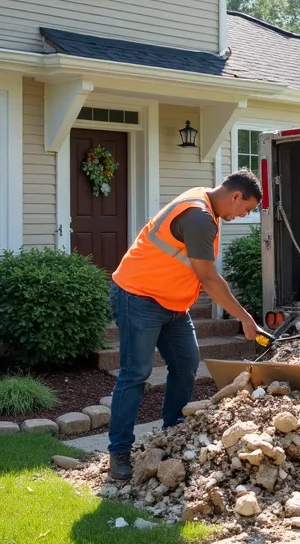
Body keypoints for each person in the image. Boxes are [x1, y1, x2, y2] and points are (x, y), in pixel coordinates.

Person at [106, 170, 262, 481]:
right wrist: (245, 317)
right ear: (235, 196)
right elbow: (208, 278)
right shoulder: (199, 216)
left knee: (186, 363)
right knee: (136, 373)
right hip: (138, 296)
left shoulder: (208, 206)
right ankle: (119, 452)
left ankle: (172, 430)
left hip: (173, 304)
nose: (243, 215)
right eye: (245, 209)